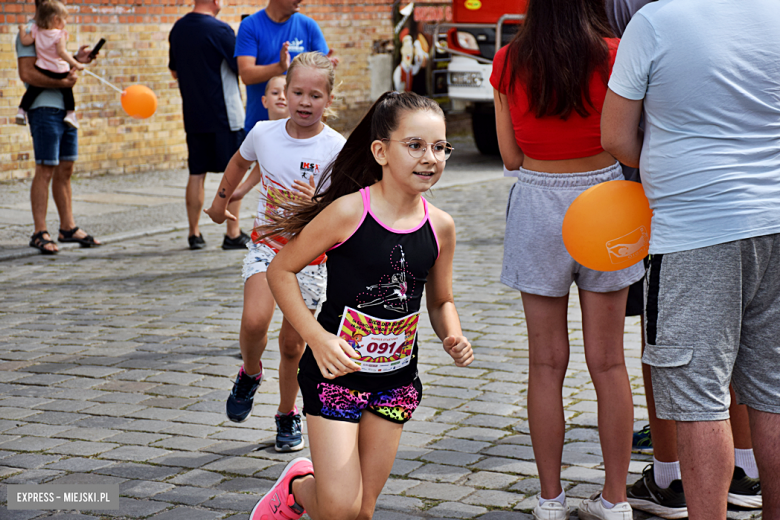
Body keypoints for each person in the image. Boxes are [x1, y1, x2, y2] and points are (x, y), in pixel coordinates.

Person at [246, 90, 473, 520]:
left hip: (395, 381)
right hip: (336, 376)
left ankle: (316, 492)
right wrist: (317, 338)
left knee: (363, 512)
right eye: (416, 145)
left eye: (440, 147)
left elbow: (441, 299)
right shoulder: (349, 212)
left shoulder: (441, 226)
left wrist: (453, 333)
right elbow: (280, 270)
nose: (431, 157)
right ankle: (299, 487)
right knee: (338, 509)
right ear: (381, 151)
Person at [601, 0, 780, 518]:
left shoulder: (656, 21)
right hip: (775, 218)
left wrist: (665, 157)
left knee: (699, 398)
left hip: (695, 229)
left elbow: (614, 136)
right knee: (772, 390)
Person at [490, 0, 645, 518]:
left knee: (545, 363)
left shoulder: (510, 60)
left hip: (537, 199)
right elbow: (629, 142)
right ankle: (616, 500)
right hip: (605, 199)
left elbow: (510, 157)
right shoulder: (617, 53)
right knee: (609, 362)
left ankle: (550, 499)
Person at [204, 52, 345, 453]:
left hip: (310, 258)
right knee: (253, 322)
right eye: (297, 91)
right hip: (267, 247)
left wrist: (318, 204)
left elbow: (349, 206)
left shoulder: (337, 147)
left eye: (315, 95)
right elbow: (236, 163)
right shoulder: (264, 133)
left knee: (292, 346)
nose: (304, 101)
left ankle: (287, 413)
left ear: (329, 100)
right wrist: (219, 202)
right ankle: (249, 373)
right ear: (284, 92)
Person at [17, 0, 102, 255]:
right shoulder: (30, 31)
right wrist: (64, 84)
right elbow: (28, 73)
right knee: (45, 167)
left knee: (66, 167)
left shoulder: (54, 29)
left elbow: (54, 63)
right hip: (43, 108)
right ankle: (39, 232)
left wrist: (77, 59)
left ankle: (67, 228)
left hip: (64, 111)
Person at [168, 0, 250, 251]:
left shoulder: (178, 28)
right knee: (235, 170)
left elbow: (174, 71)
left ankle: (194, 234)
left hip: (193, 113)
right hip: (225, 114)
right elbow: (242, 67)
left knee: (196, 173)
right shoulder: (221, 30)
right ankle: (232, 233)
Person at [234, 0, 335, 133]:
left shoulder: (308, 25)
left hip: (301, 130)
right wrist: (279, 67)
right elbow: (246, 75)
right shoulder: (250, 26)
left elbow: (324, 73)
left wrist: (327, 69)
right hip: (260, 124)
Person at [17, 0, 83, 130]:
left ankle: (21, 111)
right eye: (64, 19)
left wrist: (21, 30)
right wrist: (75, 65)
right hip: (46, 111)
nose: (65, 22)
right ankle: (71, 113)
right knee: (68, 90)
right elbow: (61, 53)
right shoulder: (60, 34)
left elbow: (25, 41)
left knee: (33, 90)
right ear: (56, 19)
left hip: (43, 67)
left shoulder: (35, 30)